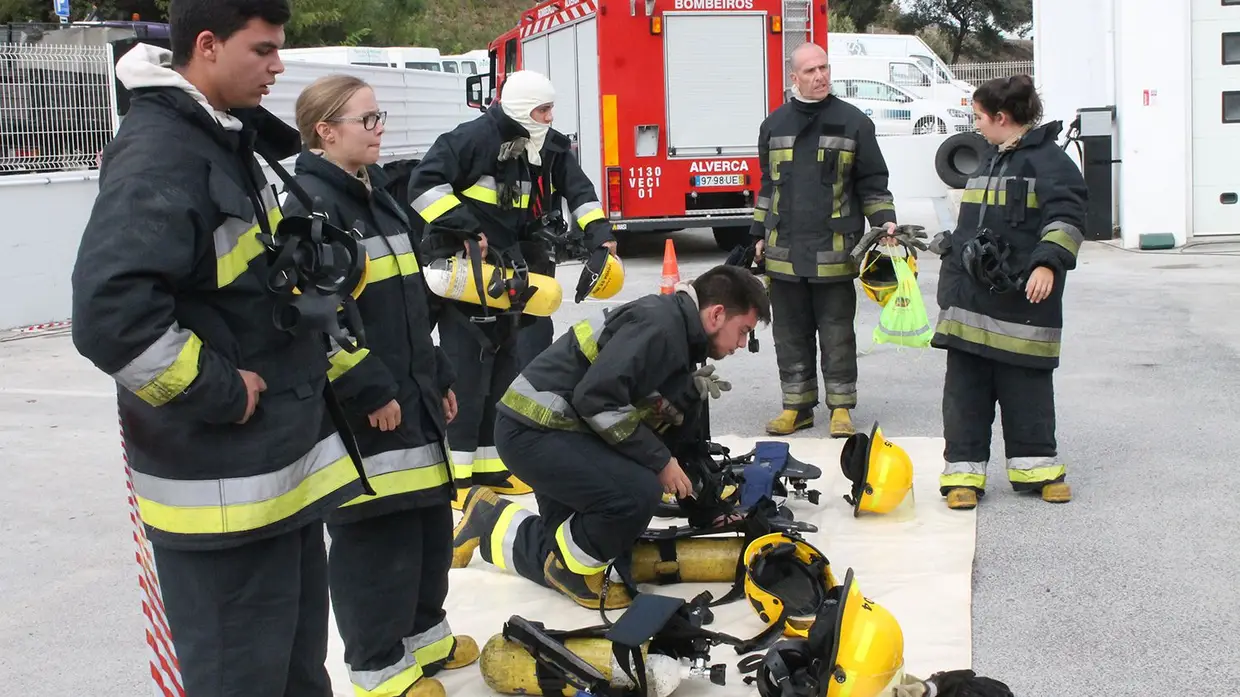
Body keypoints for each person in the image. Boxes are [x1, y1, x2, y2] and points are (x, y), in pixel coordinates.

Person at [69, 1, 370, 695]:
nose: (278, 66)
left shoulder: (224, 140)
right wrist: (221, 391)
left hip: (270, 480)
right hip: (222, 492)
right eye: (263, 50)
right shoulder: (162, 152)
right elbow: (110, 313)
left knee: (295, 675)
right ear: (207, 46)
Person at [282, 74, 479, 697]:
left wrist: (438, 373)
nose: (379, 130)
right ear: (325, 130)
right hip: (366, 407)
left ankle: (425, 637)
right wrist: (366, 387)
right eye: (366, 120)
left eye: (379, 117)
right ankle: (378, 667)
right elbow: (314, 314)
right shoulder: (310, 206)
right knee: (375, 537)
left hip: (411, 390)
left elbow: (410, 301)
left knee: (423, 525)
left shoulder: (375, 195)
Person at [449, 265, 770, 610]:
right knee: (635, 495)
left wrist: (702, 499)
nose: (741, 344)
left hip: (556, 431)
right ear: (717, 314)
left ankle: (489, 519)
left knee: (587, 537)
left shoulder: (675, 330)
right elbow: (596, 398)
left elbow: (622, 403)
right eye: (743, 331)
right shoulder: (661, 328)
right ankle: (566, 569)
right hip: (534, 431)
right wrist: (660, 461)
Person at [406, 70, 618, 506]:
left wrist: (601, 235)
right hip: (470, 271)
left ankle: (491, 467)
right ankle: (458, 479)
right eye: (542, 110)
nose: (549, 117)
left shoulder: (549, 145)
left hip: (515, 270)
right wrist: (465, 227)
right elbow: (423, 186)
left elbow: (579, 192)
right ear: (521, 109)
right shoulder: (472, 139)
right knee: (467, 372)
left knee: (505, 367)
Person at [930, 75, 1085, 510]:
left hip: (1023, 302)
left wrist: (1047, 262)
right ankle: (963, 474)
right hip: (969, 300)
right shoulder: (990, 158)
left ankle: (1038, 469)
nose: (975, 126)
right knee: (964, 391)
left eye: (979, 117)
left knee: (1026, 387)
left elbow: (1068, 217)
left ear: (1002, 118)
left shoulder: (1049, 163)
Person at [750, 42, 899, 439]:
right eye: (811, 70)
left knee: (836, 332)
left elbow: (872, 182)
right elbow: (769, 185)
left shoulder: (854, 123)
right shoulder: (774, 125)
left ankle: (840, 407)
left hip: (834, 250)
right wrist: (758, 234)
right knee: (789, 332)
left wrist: (884, 222)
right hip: (784, 252)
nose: (820, 76)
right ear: (793, 78)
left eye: (824, 68)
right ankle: (796, 407)